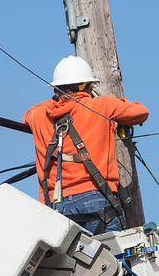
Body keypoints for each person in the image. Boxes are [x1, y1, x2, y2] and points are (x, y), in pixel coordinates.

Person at [24, 55, 149, 234]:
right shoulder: (101, 105)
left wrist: (56, 100)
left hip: (54, 206)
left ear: (56, 89)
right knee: (115, 260)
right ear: (88, 86)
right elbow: (141, 111)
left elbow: (28, 114)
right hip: (96, 197)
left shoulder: (38, 115)